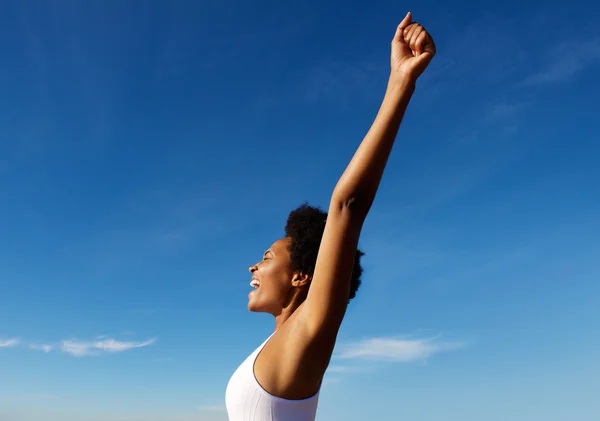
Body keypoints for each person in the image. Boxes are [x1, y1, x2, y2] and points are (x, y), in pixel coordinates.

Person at [225, 12, 436, 421]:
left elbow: (347, 206)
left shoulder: (308, 334)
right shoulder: (278, 345)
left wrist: (401, 81)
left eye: (269, 257)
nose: (254, 263)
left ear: (303, 276)